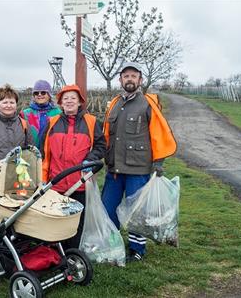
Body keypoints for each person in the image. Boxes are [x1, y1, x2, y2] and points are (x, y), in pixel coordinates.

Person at [101, 62, 177, 262]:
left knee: (137, 213)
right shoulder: (114, 103)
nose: (129, 79)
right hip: (114, 169)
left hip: (139, 169)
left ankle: (137, 250)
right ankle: (112, 244)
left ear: (140, 80)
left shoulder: (148, 104)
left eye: (133, 76)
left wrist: (158, 163)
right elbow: (107, 135)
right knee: (108, 209)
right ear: (120, 80)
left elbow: (159, 135)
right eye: (126, 76)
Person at [40, 84, 106, 249]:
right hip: (56, 183)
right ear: (61, 103)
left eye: (73, 98)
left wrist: (90, 160)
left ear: (79, 102)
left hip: (80, 183)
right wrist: (42, 178)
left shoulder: (91, 122)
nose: (69, 101)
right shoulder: (52, 122)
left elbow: (101, 146)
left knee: (77, 219)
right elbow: (43, 152)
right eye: (65, 98)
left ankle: (73, 252)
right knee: (56, 219)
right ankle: (56, 250)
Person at [19, 80, 61, 150]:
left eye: (43, 92)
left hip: (51, 153)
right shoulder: (25, 114)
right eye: (36, 93)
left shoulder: (58, 113)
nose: (39, 94)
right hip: (31, 154)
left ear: (49, 95)